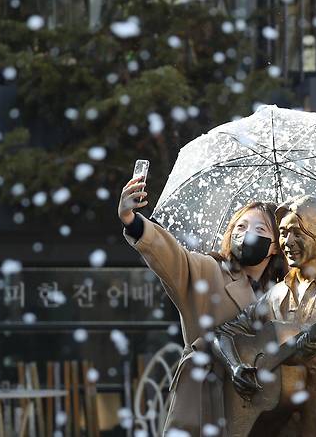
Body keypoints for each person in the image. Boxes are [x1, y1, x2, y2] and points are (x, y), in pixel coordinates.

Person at [118, 175, 285, 436]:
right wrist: (133, 221)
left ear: (276, 245)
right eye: (240, 227)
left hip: (256, 410)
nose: (246, 235)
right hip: (204, 401)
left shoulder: (282, 292)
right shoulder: (210, 270)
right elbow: (173, 258)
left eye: (260, 230)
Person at [212, 195, 316, 437]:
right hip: (276, 427)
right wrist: (236, 366)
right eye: (283, 233)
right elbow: (221, 334)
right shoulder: (276, 294)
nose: (287, 242)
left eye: (297, 233)